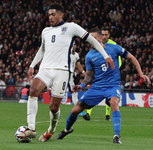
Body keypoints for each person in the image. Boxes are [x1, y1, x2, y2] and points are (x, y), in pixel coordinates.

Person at [17, 3, 114, 142]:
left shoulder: (71, 27)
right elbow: (42, 49)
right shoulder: (45, 31)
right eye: (49, 14)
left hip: (62, 71)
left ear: (61, 14)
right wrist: (32, 65)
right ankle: (31, 128)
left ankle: (51, 129)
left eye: (53, 14)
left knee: (53, 106)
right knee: (32, 90)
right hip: (45, 68)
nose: (50, 17)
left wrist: (106, 56)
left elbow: (92, 40)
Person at [55, 28, 150, 144]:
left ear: (101, 38)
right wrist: (82, 85)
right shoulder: (89, 56)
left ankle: (116, 136)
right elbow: (89, 75)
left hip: (112, 86)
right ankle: (67, 129)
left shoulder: (114, 48)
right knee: (75, 110)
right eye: (89, 39)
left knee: (114, 103)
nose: (90, 41)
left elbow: (132, 58)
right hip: (97, 87)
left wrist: (141, 74)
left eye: (93, 38)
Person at [85, 28, 121, 121]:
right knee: (95, 92)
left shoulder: (113, 45)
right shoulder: (95, 46)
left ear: (109, 35)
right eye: (103, 34)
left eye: (106, 35)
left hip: (112, 74)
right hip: (100, 73)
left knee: (110, 97)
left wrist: (114, 70)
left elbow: (119, 59)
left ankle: (107, 114)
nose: (104, 36)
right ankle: (88, 113)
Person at [69, 39, 86, 116]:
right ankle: (78, 110)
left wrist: (83, 72)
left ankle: (77, 110)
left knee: (74, 91)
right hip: (64, 73)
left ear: (76, 46)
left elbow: (78, 65)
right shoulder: (66, 53)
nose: (73, 46)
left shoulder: (76, 55)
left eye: (75, 44)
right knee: (73, 91)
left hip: (69, 75)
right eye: (72, 44)